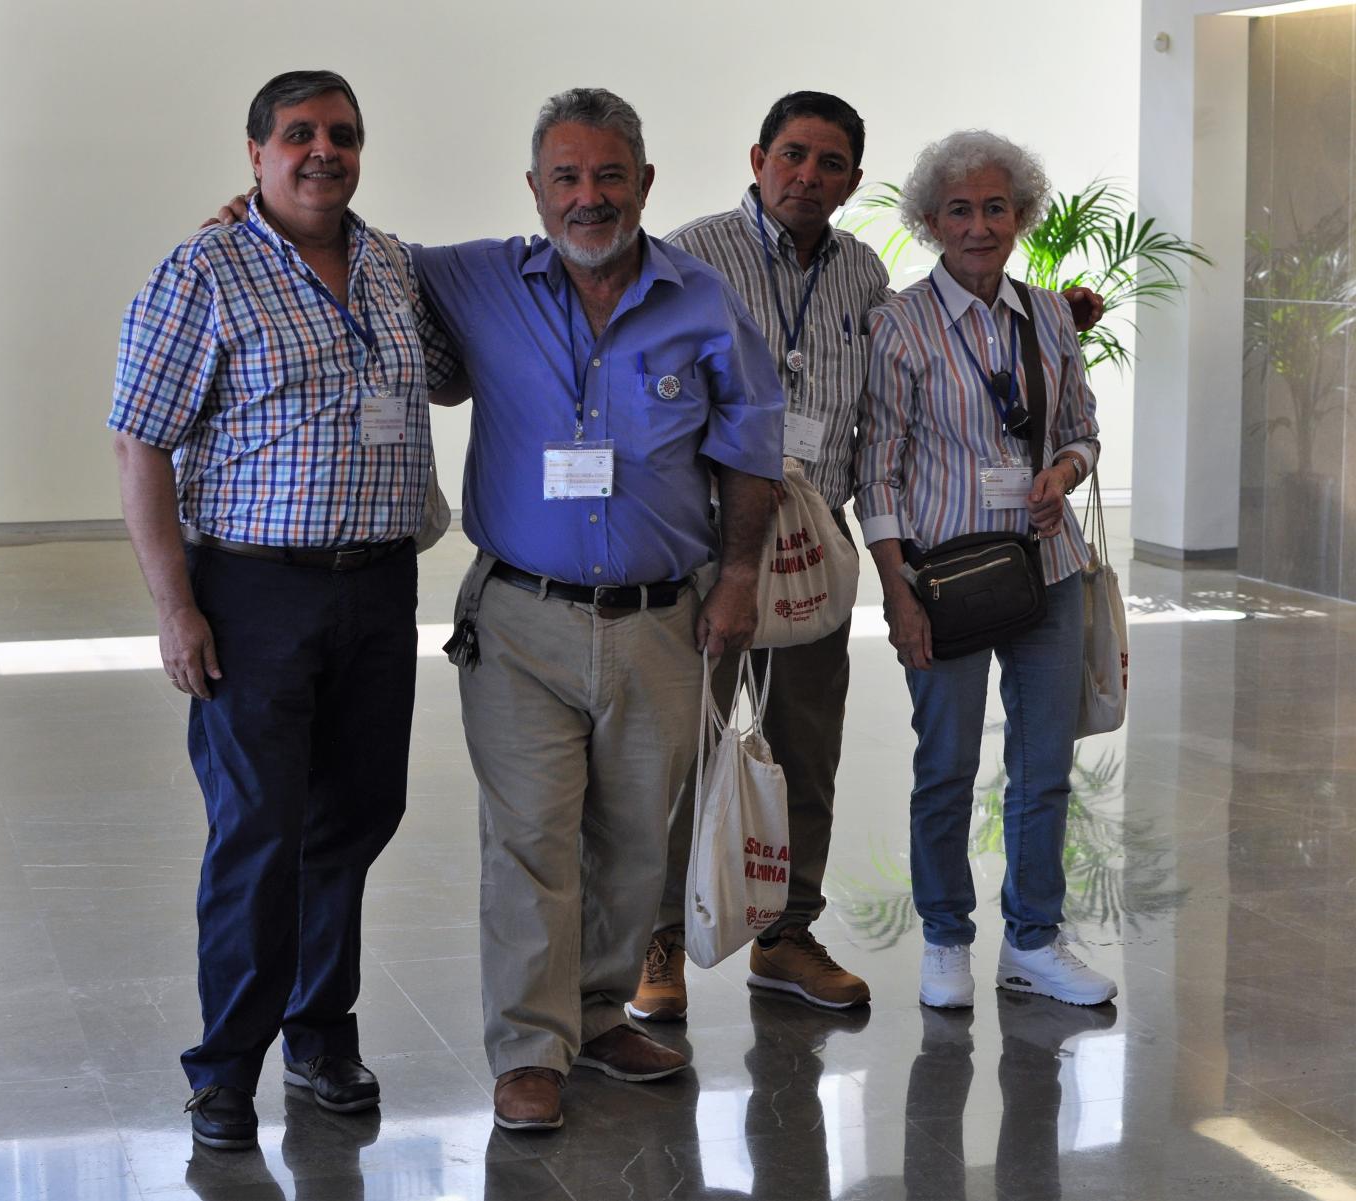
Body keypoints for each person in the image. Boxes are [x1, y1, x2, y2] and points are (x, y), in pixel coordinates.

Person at [632, 95, 1104, 1021]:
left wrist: (1063, 341)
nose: (809, 175)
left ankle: (786, 934)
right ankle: (658, 938)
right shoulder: (692, 253)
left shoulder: (861, 277)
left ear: (854, 180)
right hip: (710, 538)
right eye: (794, 156)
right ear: (759, 155)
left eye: (832, 162)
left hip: (817, 541)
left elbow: (934, 410)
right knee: (686, 745)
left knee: (808, 750)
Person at [416, 88, 784, 1130]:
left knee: (633, 836)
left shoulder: (702, 299)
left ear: (644, 184)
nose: (588, 198)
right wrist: (246, 214)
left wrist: (740, 575)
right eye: (566, 178)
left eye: (608, 176)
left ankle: (599, 1005)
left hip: (661, 618)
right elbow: (349, 245)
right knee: (531, 835)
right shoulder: (472, 276)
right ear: (534, 189)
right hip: (521, 617)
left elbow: (750, 447)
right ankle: (530, 1044)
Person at [109, 70, 460, 1151]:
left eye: (341, 135)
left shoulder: (394, 264)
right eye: (298, 135)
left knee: (354, 817)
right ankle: (224, 1071)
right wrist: (177, 609)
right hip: (254, 592)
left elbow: (451, 376)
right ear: (256, 152)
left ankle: (318, 1035)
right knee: (259, 835)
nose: (323, 152)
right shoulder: (203, 269)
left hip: (378, 586)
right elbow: (141, 440)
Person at [858, 130, 1116, 1010]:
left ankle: (1033, 941)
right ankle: (944, 934)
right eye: (960, 210)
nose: (979, 226)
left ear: (1021, 216)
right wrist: (897, 591)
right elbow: (877, 471)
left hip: (1048, 571)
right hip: (949, 582)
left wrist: (1063, 473)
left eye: (995, 207)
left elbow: (1082, 426)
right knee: (948, 766)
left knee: (1043, 767)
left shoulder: (1048, 314)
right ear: (930, 221)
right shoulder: (898, 326)